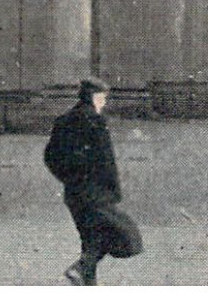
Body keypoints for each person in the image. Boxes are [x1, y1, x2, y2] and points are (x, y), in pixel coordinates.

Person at [44, 78, 142, 285]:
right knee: (126, 235)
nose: (104, 102)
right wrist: (112, 190)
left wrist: (69, 178)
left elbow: (50, 156)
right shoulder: (95, 122)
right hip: (97, 193)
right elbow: (106, 161)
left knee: (90, 239)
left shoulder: (63, 120)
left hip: (74, 193)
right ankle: (81, 268)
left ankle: (87, 282)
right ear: (94, 97)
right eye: (103, 98)